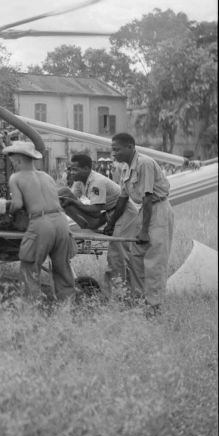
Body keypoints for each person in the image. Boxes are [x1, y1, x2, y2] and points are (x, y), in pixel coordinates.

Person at [104, 133, 174, 318]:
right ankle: (139, 301)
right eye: (112, 149)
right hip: (145, 211)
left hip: (158, 210)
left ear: (130, 147)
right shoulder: (125, 169)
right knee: (136, 258)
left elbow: (148, 197)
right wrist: (110, 224)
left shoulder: (144, 163)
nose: (114, 153)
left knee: (154, 261)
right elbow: (122, 199)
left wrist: (144, 230)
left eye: (117, 149)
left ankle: (154, 308)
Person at [58, 154, 139, 300]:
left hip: (123, 213)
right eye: (70, 169)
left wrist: (74, 204)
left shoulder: (97, 182)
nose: (72, 172)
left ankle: (119, 295)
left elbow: (95, 210)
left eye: (75, 170)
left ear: (87, 168)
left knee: (117, 254)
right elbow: (70, 197)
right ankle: (120, 292)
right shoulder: (79, 182)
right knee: (63, 193)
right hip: (108, 213)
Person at [5, 140, 76, 305]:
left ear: (18, 160)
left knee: (29, 266)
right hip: (61, 221)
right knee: (62, 267)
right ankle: (67, 306)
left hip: (41, 222)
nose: (13, 165)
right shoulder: (47, 176)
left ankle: (32, 306)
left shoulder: (16, 177)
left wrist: (9, 214)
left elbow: (16, 204)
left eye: (13, 162)